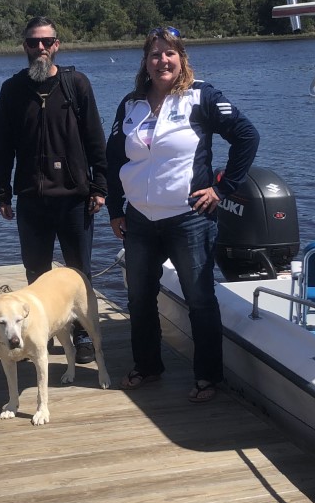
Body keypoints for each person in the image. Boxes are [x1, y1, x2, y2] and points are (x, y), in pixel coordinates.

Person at [105, 27, 259, 401]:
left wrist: (222, 189)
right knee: (139, 298)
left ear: (182, 58)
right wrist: (114, 208)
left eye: (169, 53)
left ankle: (208, 376)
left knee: (200, 300)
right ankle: (147, 366)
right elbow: (113, 159)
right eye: (155, 55)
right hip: (139, 219)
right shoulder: (131, 104)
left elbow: (247, 136)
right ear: (145, 63)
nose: (162, 61)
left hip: (188, 218)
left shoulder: (202, 97)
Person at [0, 17, 108, 363]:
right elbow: (1, 146)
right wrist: (2, 189)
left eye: (46, 42)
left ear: (57, 44)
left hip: (75, 198)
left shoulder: (76, 85)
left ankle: (84, 336)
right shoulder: (12, 90)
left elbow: (95, 139)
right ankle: (41, 332)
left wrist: (100, 185)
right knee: (35, 274)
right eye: (32, 43)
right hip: (31, 199)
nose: (40, 48)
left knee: (79, 273)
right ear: (24, 47)